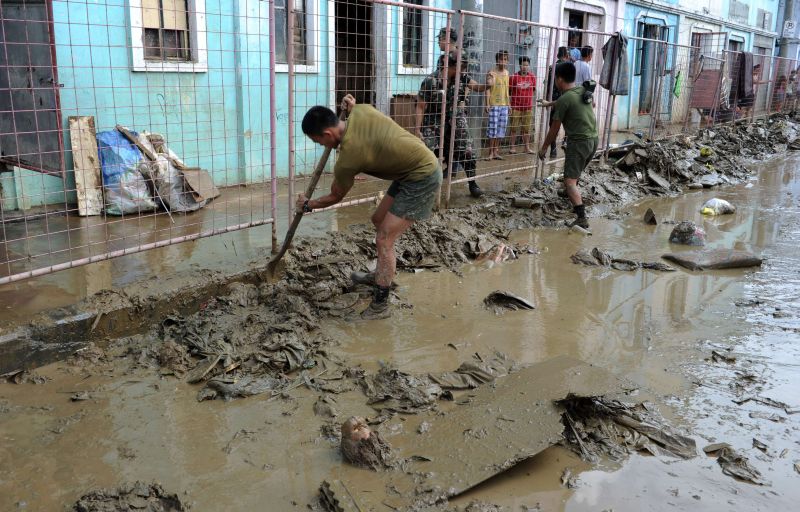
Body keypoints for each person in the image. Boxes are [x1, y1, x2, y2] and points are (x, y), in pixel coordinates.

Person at [298, 95, 442, 320]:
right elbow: (354, 107)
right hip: (409, 170)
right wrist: (351, 105)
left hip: (423, 176)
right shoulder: (362, 110)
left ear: (328, 134)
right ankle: (381, 273)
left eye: (319, 142)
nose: (322, 146)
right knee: (378, 220)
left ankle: (380, 305)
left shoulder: (349, 157)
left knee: (384, 239)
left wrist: (309, 205)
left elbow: (336, 196)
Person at [416, 51, 489, 198]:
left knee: (467, 150)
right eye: (461, 67)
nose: (464, 71)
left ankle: (472, 184)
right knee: (427, 153)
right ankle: (423, 188)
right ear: (451, 66)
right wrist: (417, 129)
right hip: (434, 121)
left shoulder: (462, 78)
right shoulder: (430, 81)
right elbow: (421, 106)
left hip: (455, 118)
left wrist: (488, 84)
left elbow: (478, 87)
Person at [537, 62, 598, 230]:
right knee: (574, 172)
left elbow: (554, 129)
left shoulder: (565, 99)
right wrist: (549, 103)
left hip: (579, 142)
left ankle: (581, 217)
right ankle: (569, 192)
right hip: (593, 140)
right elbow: (568, 101)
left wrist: (544, 148)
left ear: (559, 79)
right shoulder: (581, 90)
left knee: (570, 181)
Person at [485, 50, 510, 160]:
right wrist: (487, 104)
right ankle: (490, 152)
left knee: (501, 129)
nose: (503, 61)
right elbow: (487, 89)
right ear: (497, 60)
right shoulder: (491, 72)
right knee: (492, 129)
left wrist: (509, 104)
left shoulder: (507, 73)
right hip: (494, 104)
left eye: (505, 59)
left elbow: (507, 90)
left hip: (504, 105)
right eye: (501, 59)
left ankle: (496, 151)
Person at [545, 47, 570, 157]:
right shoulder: (568, 67)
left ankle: (553, 149)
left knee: (553, 125)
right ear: (566, 56)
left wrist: (548, 100)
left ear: (557, 55)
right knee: (568, 123)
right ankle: (565, 142)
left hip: (554, 99)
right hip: (566, 99)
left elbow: (547, 85)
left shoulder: (552, 67)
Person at [509, 55, 536, 154]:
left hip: (527, 107)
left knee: (526, 128)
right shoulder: (514, 77)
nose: (525, 67)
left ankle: (526, 147)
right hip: (516, 106)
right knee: (513, 128)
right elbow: (509, 91)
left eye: (527, 65)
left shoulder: (532, 77)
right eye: (523, 65)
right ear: (519, 65)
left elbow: (533, 89)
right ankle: (512, 147)